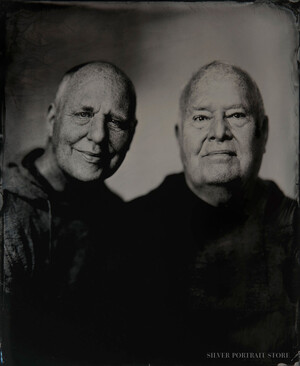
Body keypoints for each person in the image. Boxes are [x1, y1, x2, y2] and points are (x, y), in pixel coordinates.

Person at [128, 61, 299, 365]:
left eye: (236, 115)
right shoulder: (128, 230)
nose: (219, 132)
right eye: (201, 117)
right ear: (180, 135)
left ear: (264, 133)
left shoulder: (292, 225)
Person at [3, 61, 137, 365]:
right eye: (84, 114)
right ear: (52, 119)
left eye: (116, 122)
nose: (99, 136)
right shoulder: (9, 219)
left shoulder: (115, 215)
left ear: (132, 133)